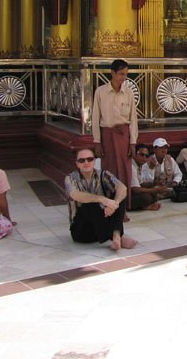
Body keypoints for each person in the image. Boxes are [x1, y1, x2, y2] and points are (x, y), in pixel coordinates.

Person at [65, 148, 137, 251]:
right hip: (82, 231)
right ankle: (115, 238)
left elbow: (122, 187)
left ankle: (116, 236)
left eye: (89, 159)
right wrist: (102, 199)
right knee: (90, 204)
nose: (86, 162)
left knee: (119, 197)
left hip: (100, 226)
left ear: (94, 161)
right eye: (82, 160)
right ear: (77, 164)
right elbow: (75, 194)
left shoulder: (103, 174)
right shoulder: (70, 178)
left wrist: (114, 203)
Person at [92, 59, 138, 210]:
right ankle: (110, 206)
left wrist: (133, 142)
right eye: (121, 74)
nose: (123, 77)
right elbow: (95, 118)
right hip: (107, 135)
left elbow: (133, 119)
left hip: (124, 136)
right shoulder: (100, 92)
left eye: (126, 74)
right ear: (112, 73)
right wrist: (97, 142)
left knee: (125, 172)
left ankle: (123, 208)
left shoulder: (129, 93)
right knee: (109, 172)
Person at [129, 144, 163, 211]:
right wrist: (155, 190)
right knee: (146, 197)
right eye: (141, 154)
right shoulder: (132, 167)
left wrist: (155, 184)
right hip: (126, 196)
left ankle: (145, 205)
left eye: (146, 156)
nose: (144, 157)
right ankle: (144, 207)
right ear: (134, 154)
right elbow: (135, 189)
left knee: (152, 191)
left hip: (134, 192)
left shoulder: (139, 165)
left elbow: (141, 184)